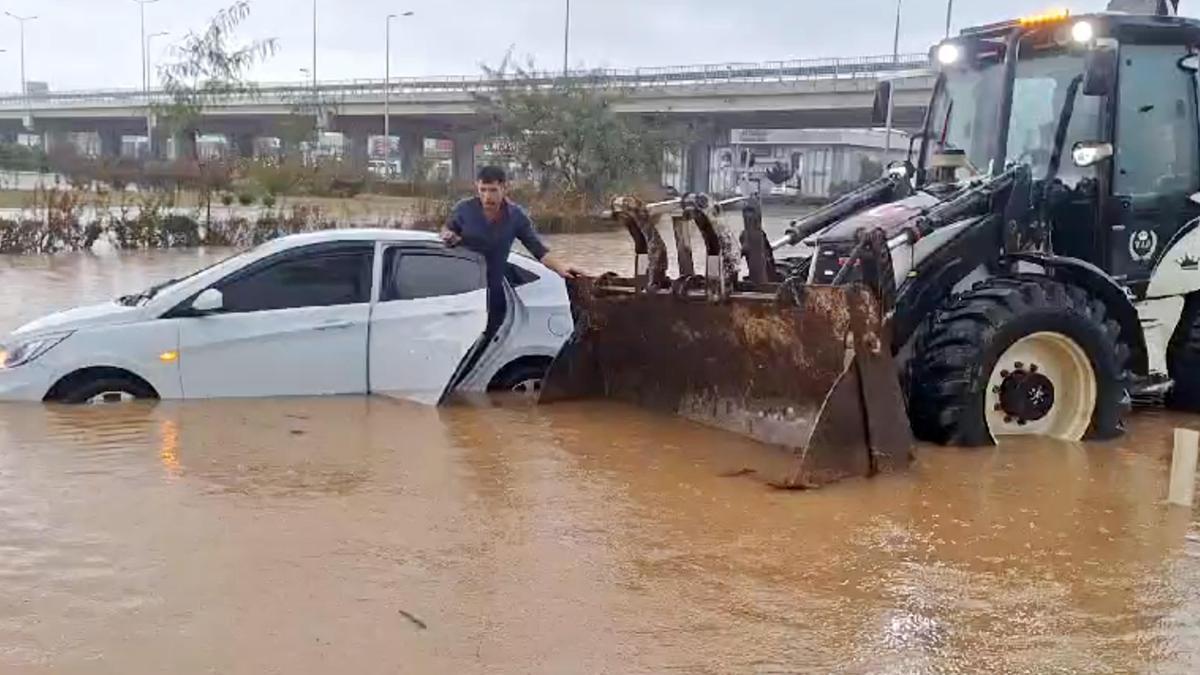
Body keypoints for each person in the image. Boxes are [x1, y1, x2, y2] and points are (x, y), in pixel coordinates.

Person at [440, 165, 582, 331]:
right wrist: (447, 235)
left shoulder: (516, 217)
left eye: (493, 190)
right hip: (462, 291)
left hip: (495, 292)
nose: (487, 197)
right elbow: (446, 229)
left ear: (505, 187)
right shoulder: (464, 209)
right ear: (477, 187)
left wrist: (561, 267)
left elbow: (538, 250)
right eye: (483, 190)